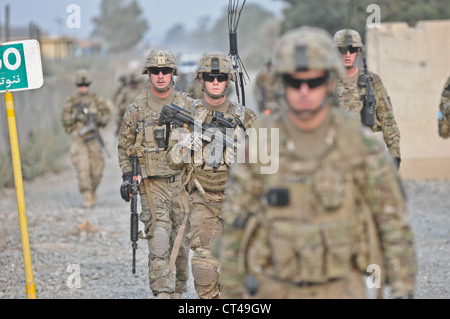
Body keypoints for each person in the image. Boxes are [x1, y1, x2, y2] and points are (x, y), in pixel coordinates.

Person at [219, 26, 416, 299]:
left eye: (313, 82)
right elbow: (236, 228)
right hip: (274, 287)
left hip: (341, 288)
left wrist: (403, 290)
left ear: (328, 82)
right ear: (281, 83)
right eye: (293, 82)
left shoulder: (359, 144)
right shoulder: (260, 144)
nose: (303, 91)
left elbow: (392, 222)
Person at [166, 52, 258, 299]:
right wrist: (185, 147)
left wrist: (244, 158)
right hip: (202, 199)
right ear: (201, 80)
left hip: (237, 201)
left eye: (220, 77)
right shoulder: (188, 115)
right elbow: (172, 162)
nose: (215, 81)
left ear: (228, 81)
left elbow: (268, 165)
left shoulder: (245, 117)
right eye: (210, 76)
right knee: (205, 268)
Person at [118, 50, 194, 299]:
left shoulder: (188, 106)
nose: (160, 76)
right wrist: (128, 177)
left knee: (180, 246)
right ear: (148, 74)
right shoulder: (137, 109)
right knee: (159, 239)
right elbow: (124, 146)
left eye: (165, 71)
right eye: (155, 71)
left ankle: (177, 292)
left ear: (173, 74)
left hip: (182, 185)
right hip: (152, 187)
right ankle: (162, 293)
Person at [333, 29, 401, 169]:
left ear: (358, 51)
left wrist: (394, 153)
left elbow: (387, 118)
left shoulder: (372, 81)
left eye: (352, 49)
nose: (348, 54)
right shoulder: (326, 82)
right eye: (343, 49)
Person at [61, 69, 111, 209]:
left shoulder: (96, 99)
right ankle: (87, 196)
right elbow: (64, 119)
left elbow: (107, 116)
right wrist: (76, 117)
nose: (83, 88)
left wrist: (97, 119)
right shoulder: (71, 101)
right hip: (79, 137)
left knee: (97, 169)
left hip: (93, 138)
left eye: (86, 85)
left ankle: (93, 189)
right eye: (80, 85)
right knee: (82, 167)